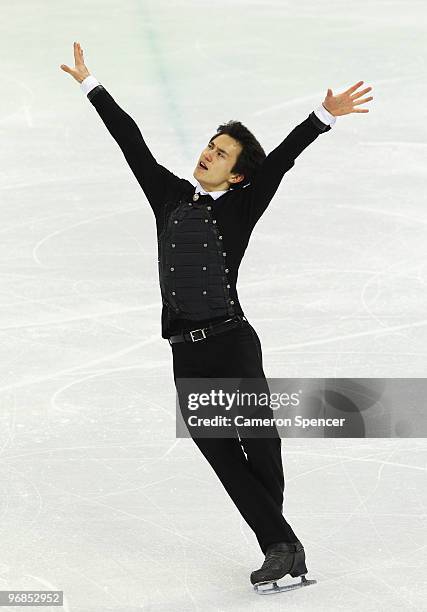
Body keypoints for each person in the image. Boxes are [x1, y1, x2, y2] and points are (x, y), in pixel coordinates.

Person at [60, 42, 373, 593]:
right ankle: (282, 542)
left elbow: (278, 163)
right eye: (210, 144)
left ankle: (278, 543)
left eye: (223, 152)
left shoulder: (241, 207)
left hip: (232, 342)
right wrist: (92, 86)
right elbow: (130, 142)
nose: (209, 152)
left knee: (262, 444)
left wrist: (321, 117)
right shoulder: (168, 196)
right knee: (222, 455)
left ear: (235, 176)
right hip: (187, 350)